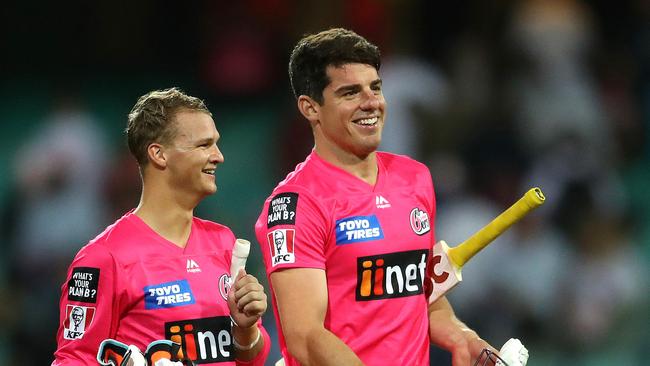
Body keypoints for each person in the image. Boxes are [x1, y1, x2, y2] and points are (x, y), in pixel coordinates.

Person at [254, 28, 497, 365]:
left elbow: (421, 294)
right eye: (350, 92)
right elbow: (305, 337)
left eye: (375, 88)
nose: (371, 103)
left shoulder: (415, 178)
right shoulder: (296, 205)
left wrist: (462, 337)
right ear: (310, 108)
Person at [52, 88, 270, 365]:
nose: (218, 156)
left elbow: (250, 357)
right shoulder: (102, 258)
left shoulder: (223, 242)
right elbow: (73, 360)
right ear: (159, 154)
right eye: (204, 145)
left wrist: (246, 328)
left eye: (216, 144)